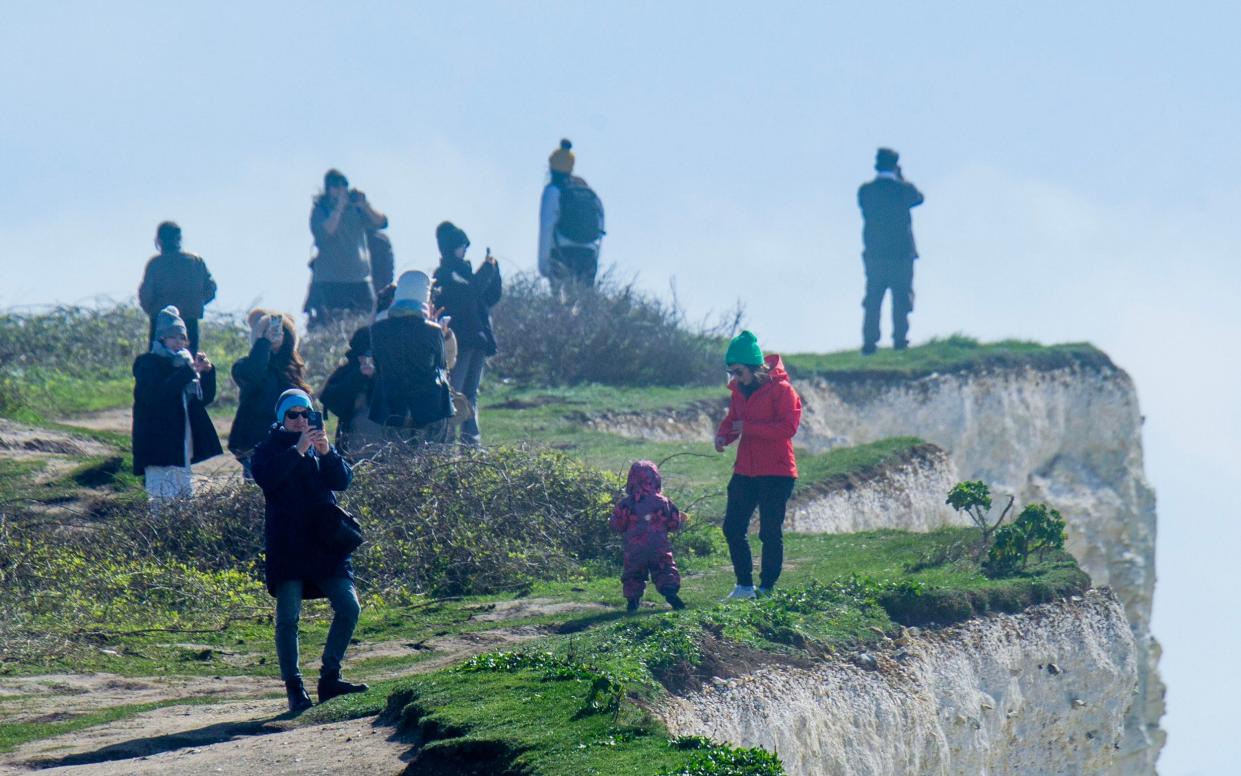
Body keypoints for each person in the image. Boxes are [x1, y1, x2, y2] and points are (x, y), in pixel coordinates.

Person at [251, 389, 367, 712]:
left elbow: (342, 480)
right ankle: (294, 686)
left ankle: (330, 676)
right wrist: (298, 451)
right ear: (281, 419)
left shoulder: (318, 447)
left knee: (349, 606)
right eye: (293, 415)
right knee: (288, 618)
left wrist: (327, 451)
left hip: (325, 545)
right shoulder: (266, 450)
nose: (301, 420)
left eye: (306, 414)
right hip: (288, 546)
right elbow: (268, 480)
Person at [714, 330, 802, 599]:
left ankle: (767, 587)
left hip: (777, 472)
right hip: (745, 470)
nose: (735, 378)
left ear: (753, 367)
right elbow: (733, 420)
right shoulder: (739, 391)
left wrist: (749, 428)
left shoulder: (783, 390)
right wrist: (723, 435)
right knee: (732, 527)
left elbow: (789, 427)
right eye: (731, 372)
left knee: (769, 531)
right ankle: (744, 586)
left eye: (738, 371)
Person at [131, 305, 222, 501]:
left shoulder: (184, 364)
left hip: (181, 445)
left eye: (182, 338)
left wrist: (207, 374)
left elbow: (202, 400)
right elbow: (156, 396)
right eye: (173, 337)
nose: (178, 342)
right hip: (157, 446)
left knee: (183, 500)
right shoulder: (148, 363)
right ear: (161, 338)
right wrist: (188, 372)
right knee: (160, 500)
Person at [432, 222, 501, 446]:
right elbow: (470, 293)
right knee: (455, 393)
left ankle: (471, 445)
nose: (465, 251)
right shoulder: (446, 274)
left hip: (476, 341)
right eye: (462, 246)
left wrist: (494, 271)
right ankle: (447, 442)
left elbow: (488, 297)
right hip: (458, 342)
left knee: (470, 395)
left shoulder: (462, 273)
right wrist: (487, 269)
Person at [368, 270, 456, 445]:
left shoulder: (377, 330)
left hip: (391, 405)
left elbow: (378, 366)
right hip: (430, 406)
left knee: (396, 462)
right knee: (431, 460)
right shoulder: (433, 331)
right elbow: (442, 365)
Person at [228, 310, 311, 479]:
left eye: (280, 331)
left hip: (290, 443)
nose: (275, 334)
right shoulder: (243, 365)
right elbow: (254, 374)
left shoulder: (293, 369)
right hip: (256, 442)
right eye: (267, 331)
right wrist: (263, 342)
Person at [857, 147, 924, 355]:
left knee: (873, 299)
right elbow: (919, 197)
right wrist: (901, 177)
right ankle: (900, 340)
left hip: (875, 254)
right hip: (901, 253)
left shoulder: (866, 191)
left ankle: (870, 343)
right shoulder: (902, 190)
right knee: (901, 298)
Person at [305, 169, 388, 327]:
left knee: (369, 321)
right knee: (328, 324)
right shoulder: (320, 210)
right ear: (328, 189)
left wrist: (365, 206)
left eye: (344, 186)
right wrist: (339, 208)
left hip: (359, 278)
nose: (341, 190)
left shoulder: (355, 209)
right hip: (330, 280)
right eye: (336, 186)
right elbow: (324, 232)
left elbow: (381, 222)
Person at [609, 460, 687, 613]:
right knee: (665, 569)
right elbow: (673, 524)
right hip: (659, 546)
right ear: (655, 479)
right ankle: (670, 593)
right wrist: (679, 521)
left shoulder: (626, 504)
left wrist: (611, 522)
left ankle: (633, 602)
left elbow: (618, 525)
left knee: (633, 573)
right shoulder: (663, 502)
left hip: (634, 549)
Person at [537, 139, 606, 293]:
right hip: (588, 256)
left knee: (560, 307)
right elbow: (600, 230)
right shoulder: (591, 194)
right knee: (584, 304)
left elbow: (546, 228)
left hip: (562, 254)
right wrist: (594, 259)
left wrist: (544, 267)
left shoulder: (552, 192)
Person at [138, 221, 217, 354]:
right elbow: (210, 289)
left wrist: (155, 313)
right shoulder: (195, 262)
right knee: (189, 367)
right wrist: (195, 305)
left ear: (159, 240)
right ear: (179, 239)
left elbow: (146, 295)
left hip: (160, 324)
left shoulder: (155, 264)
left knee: (157, 368)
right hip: (189, 322)